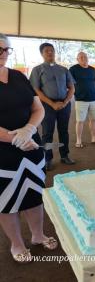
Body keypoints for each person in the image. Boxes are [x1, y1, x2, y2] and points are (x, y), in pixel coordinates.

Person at [0, 34, 58, 264]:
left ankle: (37, 235)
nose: (2, 53)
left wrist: (29, 129)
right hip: (3, 154)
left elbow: (38, 108)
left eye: (6, 49)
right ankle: (17, 243)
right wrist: (15, 138)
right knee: (7, 202)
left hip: (31, 147)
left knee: (34, 196)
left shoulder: (18, 76)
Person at [30, 43, 75, 170]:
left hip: (64, 104)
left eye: (52, 50)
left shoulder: (63, 69)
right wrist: (52, 104)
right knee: (47, 133)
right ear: (42, 54)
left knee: (64, 131)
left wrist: (65, 102)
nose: (50, 52)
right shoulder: (37, 70)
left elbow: (72, 87)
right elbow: (36, 90)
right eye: (46, 51)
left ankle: (65, 155)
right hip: (47, 106)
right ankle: (47, 158)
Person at [69, 52, 95, 148]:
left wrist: (89, 87)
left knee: (94, 120)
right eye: (81, 57)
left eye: (85, 56)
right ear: (77, 59)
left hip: (93, 98)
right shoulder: (73, 69)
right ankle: (78, 140)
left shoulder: (92, 69)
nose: (84, 58)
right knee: (80, 121)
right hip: (80, 99)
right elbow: (70, 83)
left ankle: (94, 137)